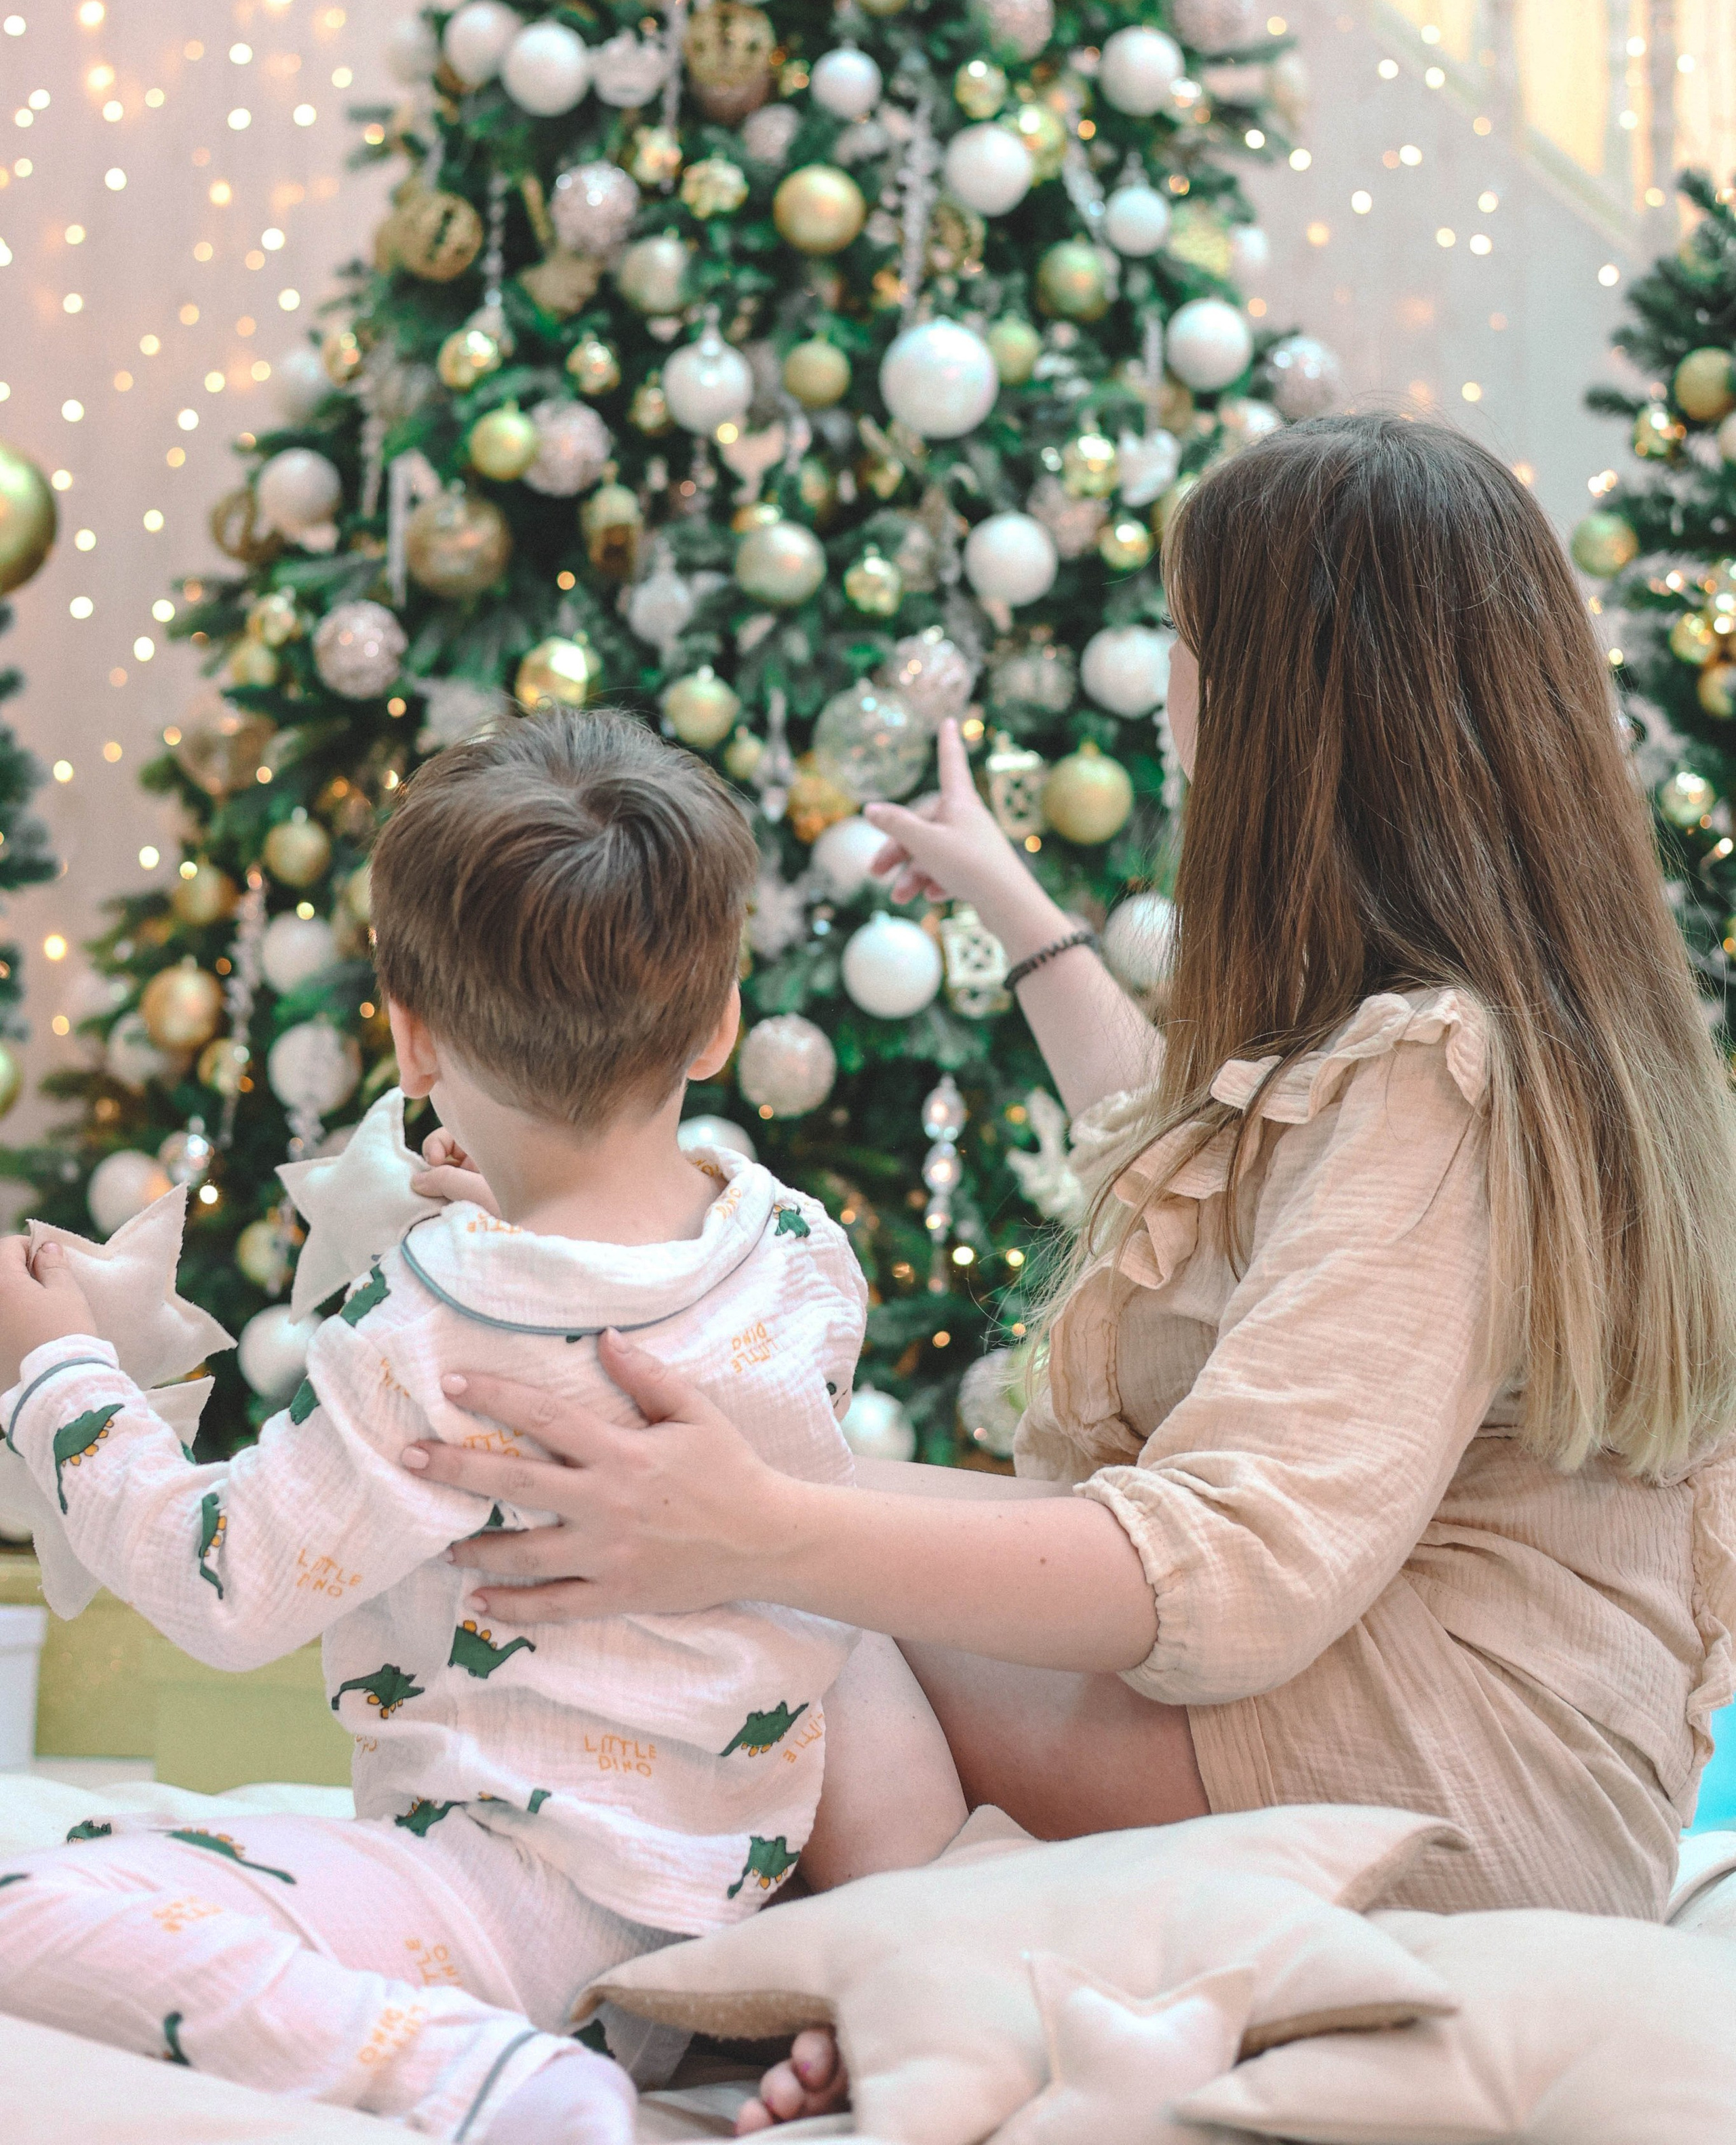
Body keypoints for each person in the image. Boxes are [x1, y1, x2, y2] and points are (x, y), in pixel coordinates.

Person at [396, 417, 1736, 2132]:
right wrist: (1014, 909)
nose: (1164, 688)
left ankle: (941, 1952)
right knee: (742, 1505)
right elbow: (1192, 1185)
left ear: (1281, 701)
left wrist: (763, 1530)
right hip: (1464, 1750)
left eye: (1181, 641)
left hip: (1428, 1793)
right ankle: (947, 1947)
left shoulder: (1436, 1081)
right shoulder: (1490, 1029)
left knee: (756, 1581)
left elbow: (1231, 1572)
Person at [0, 708, 964, 2144]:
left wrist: (57, 1373)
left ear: (411, 1038)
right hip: (713, 1904)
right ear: (718, 1023)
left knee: (32, 1905)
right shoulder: (798, 1253)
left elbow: (225, 1582)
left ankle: (465, 2078)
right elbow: (608, 1295)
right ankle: (882, 1970)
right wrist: (509, 1216)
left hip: (498, 1906)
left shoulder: (426, 1330)